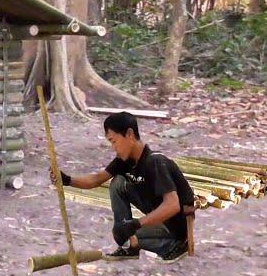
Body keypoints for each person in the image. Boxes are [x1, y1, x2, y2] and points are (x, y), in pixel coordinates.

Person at [50, 111, 194, 263]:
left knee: (131, 238)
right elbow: (96, 179)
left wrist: (137, 224)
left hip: (177, 224)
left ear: (129, 134)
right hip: (159, 218)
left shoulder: (155, 162)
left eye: (114, 141)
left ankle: (176, 244)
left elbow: (173, 205)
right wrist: (67, 180)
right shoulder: (125, 161)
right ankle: (129, 243)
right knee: (118, 182)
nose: (113, 147)